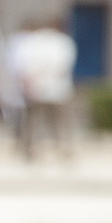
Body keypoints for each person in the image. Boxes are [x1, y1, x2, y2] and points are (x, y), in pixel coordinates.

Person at [12, 18, 77, 162]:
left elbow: (24, 65)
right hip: (56, 88)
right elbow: (63, 66)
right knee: (55, 121)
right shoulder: (62, 42)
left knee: (35, 120)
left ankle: (33, 149)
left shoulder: (33, 41)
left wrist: (30, 81)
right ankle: (59, 147)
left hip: (38, 86)